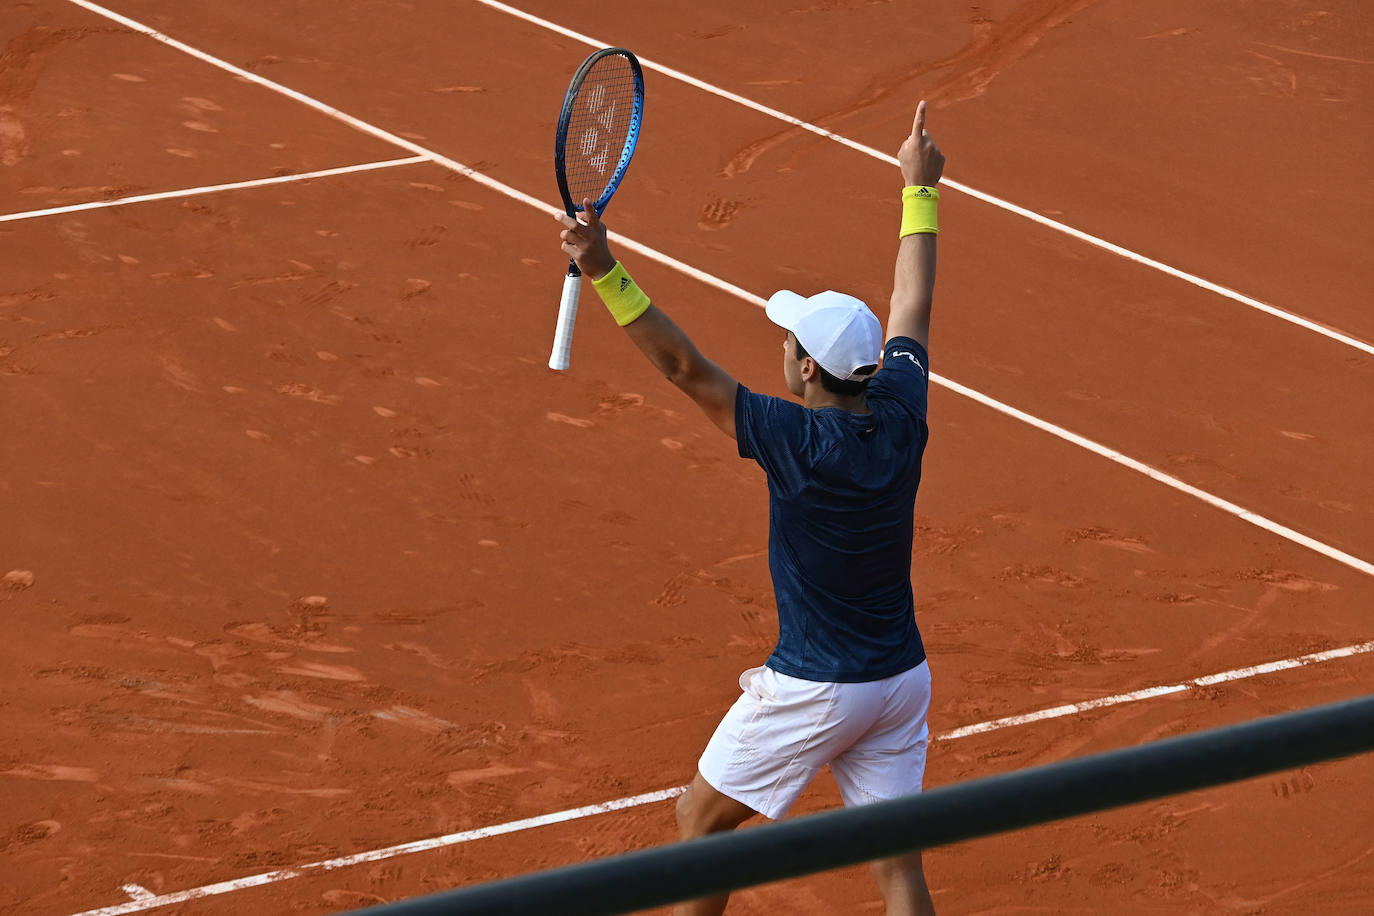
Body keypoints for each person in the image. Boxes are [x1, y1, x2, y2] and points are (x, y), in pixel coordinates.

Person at [556, 100, 946, 916]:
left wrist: (602, 268)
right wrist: (920, 190)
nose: (784, 346)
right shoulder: (900, 406)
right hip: (900, 679)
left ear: (807, 370)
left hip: (819, 686)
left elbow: (681, 366)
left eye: (792, 340)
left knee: (698, 822)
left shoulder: (793, 440)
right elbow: (911, 300)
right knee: (897, 866)